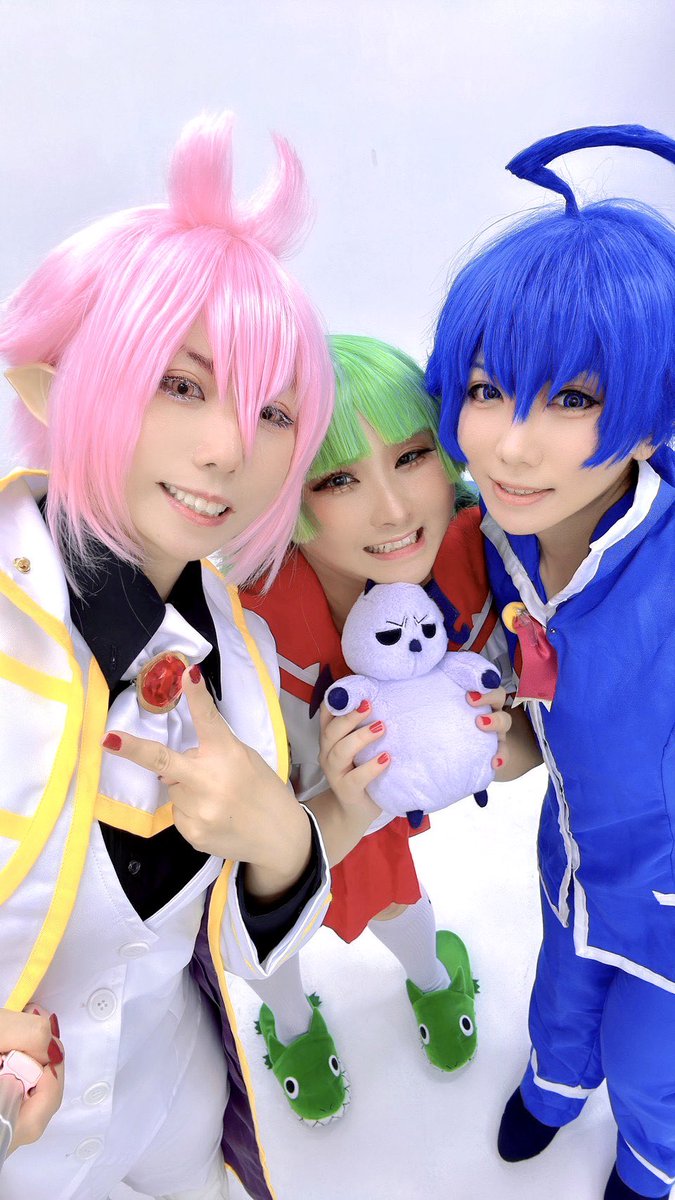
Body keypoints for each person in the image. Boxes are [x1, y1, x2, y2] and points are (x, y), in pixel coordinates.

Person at [0, 112, 336, 1200]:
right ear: (55, 383)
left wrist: (282, 839)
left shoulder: (241, 645)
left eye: (272, 410)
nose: (231, 448)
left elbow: (236, 945)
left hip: (173, 1095)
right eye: (182, 384)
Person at [427, 124, 675, 1200]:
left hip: (669, 886)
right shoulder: (498, 534)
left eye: (573, 400)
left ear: (651, 417)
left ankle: (651, 1165)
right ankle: (553, 1088)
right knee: (563, 983)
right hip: (572, 841)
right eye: (488, 389)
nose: (512, 443)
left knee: (654, 1057)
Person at [241, 334, 536, 1122]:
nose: (395, 509)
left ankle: (432, 974)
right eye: (337, 478)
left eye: (411, 456)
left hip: (377, 825)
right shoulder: (239, 616)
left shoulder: (484, 554)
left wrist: (496, 743)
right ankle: (290, 1024)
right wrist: (336, 805)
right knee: (267, 931)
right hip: (262, 835)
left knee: (391, 892)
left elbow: (534, 743)